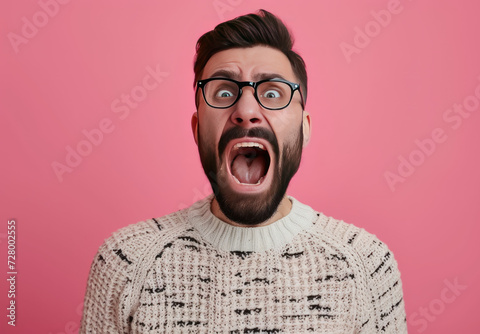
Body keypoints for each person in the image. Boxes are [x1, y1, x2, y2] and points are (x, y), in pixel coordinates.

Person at [80, 9, 407, 333]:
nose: (247, 110)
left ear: (304, 129)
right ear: (197, 129)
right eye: (224, 92)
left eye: (272, 93)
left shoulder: (366, 264)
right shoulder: (125, 262)